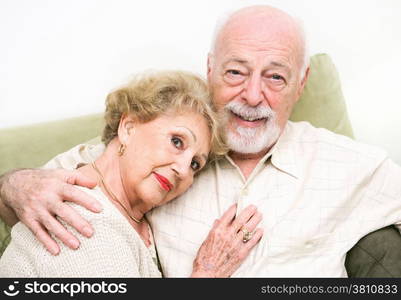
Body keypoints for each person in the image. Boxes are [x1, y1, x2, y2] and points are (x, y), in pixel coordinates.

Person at [1, 5, 401, 277]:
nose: (252, 95)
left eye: (275, 77)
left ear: (302, 84)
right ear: (210, 69)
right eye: (235, 72)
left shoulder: (352, 164)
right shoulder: (131, 169)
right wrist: (13, 184)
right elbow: (60, 189)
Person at [0, 70, 263, 277]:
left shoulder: (130, 218)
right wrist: (206, 277)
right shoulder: (81, 218)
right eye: (177, 141)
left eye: (195, 164)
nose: (183, 170)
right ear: (127, 127)